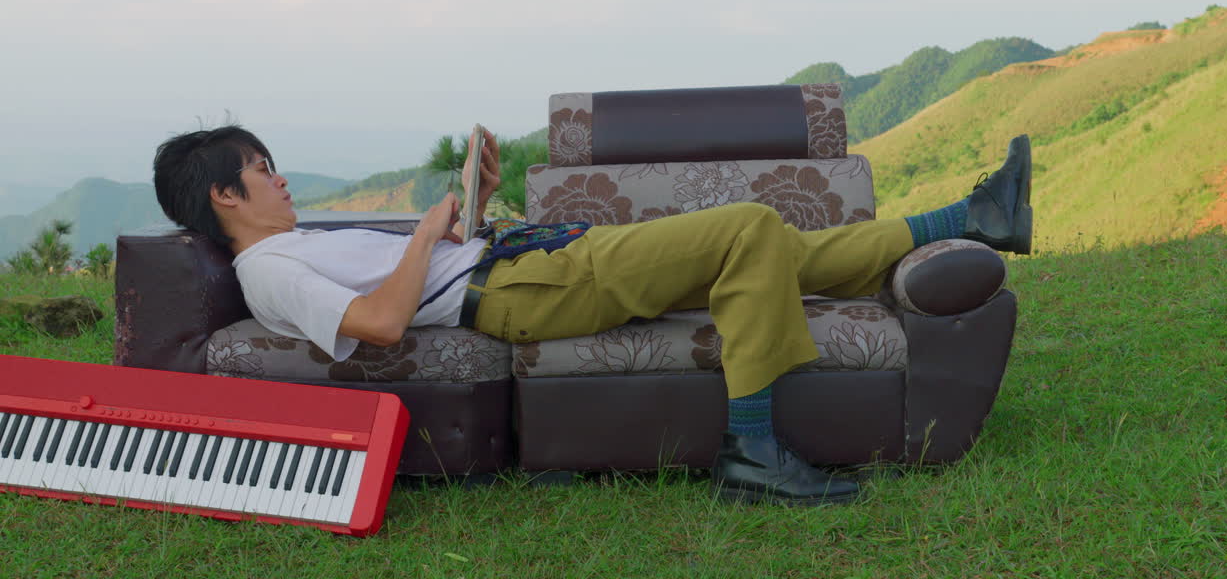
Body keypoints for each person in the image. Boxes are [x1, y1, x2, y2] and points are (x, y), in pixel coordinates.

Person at [153, 125, 1032, 506]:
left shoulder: (299, 238)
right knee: (752, 226)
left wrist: (470, 206)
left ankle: (973, 221)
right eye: (264, 169)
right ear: (228, 196)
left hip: (520, 265)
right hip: (523, 293)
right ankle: (753, 448)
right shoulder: (270, 268)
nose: (282, 178)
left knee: (777, 254)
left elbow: (412, 276)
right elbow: (381, 323)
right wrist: (426, 233)